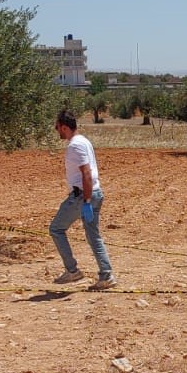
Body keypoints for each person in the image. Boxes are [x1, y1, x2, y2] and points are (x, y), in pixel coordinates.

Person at [49, 110, 116, 290]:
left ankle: (72, 271)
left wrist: (85, 202)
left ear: (64, 127)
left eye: (57, 127)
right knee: (93, 235)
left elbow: (86, 173)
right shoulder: (84, 141)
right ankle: (106, 276)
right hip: (94, 193)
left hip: (82, 196)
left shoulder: (75, 146)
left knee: (56, 229)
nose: (57, 131)